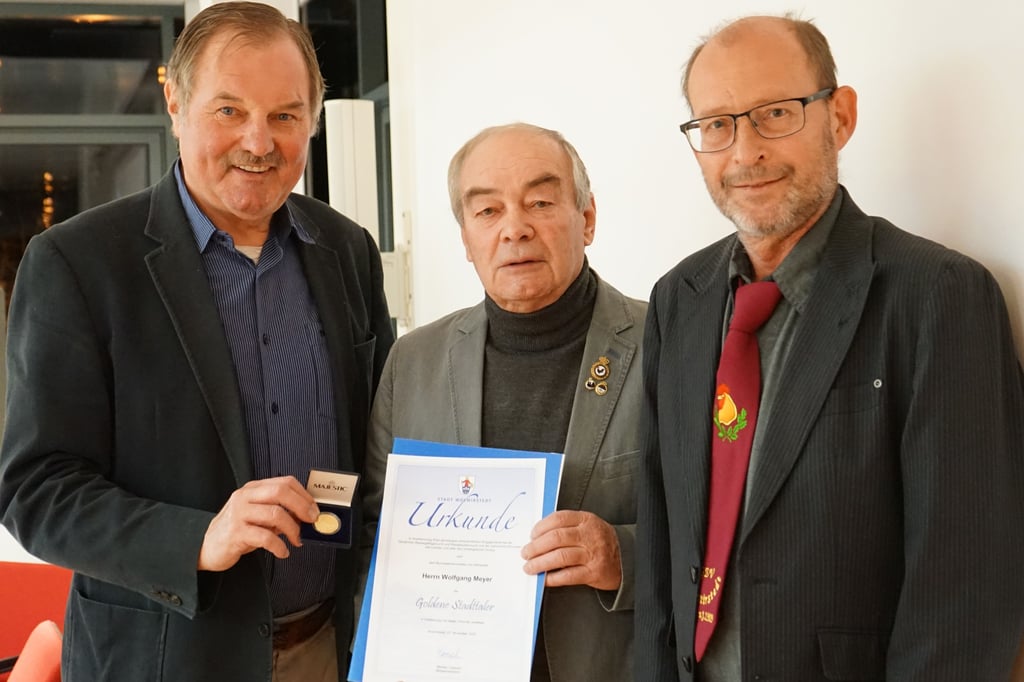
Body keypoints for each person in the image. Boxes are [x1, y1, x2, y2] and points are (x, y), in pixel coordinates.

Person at [0, 3, 394, 681]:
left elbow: (381, 443)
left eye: (285, 116)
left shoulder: (346, 250)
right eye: (229, 111)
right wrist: (198, 538)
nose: (259, 142)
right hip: (167, 658)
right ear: (175, 103)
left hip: (332, 647)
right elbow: (37, 489)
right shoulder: (79, 262)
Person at [635, 14, 1024, 682]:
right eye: (717, 124)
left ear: (839, 117)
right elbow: (663, 549)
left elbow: (964, 596)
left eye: (776, 113)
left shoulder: (939, 298)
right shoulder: (679, 300)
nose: (744, 151)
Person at [360, 123, 643, 681]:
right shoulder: (414, 362)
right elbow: (376, 534)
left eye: (540, 202)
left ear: (586, 220)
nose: (515, 229)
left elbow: (720, 530)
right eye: (487, 212)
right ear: (466, 238)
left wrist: (622, 555)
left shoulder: (667, 346)